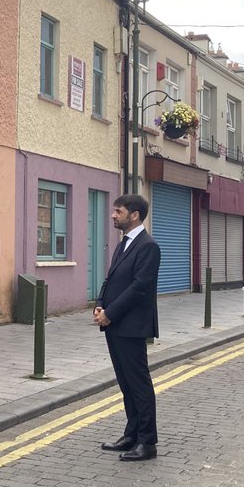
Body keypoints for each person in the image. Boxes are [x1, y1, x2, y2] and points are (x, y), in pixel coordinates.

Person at [94, 193, 161, 462]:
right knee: (126, 383)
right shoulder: (124, 243)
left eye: (118, 211)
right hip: (115, 324)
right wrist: (100, 304)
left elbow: (139, 288)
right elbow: (111, 279)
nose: (113, 215)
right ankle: (131, 434)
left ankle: (147, 442)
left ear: (134, 215)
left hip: (131, 325)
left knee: (138, 384)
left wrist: (110, 313)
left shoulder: (148, 246)